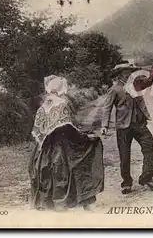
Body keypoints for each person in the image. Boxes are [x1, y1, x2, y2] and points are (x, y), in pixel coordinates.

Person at [28, 75, 104, 211]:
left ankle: (51, 203)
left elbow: (38, 131)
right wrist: (86, 138)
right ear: (61, 89)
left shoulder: (43, 106)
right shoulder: (62, 104)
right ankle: (82, 201)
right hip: (61, 146)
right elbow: (68, 130)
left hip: (45, 148)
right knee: (80, 162)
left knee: (49, 171)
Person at [100, 57, 153, 194]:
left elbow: (151, 80)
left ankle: (146, 179)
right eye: (126, 72)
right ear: (119, 74)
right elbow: (107, 108)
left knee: (150, 147)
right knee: (125, 155)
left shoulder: (138, 84)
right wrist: (104, 125)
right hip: (123, 126)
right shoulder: (114, 89)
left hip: (139, 124)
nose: (129, 74)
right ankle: (126, 183)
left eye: (130, 71)